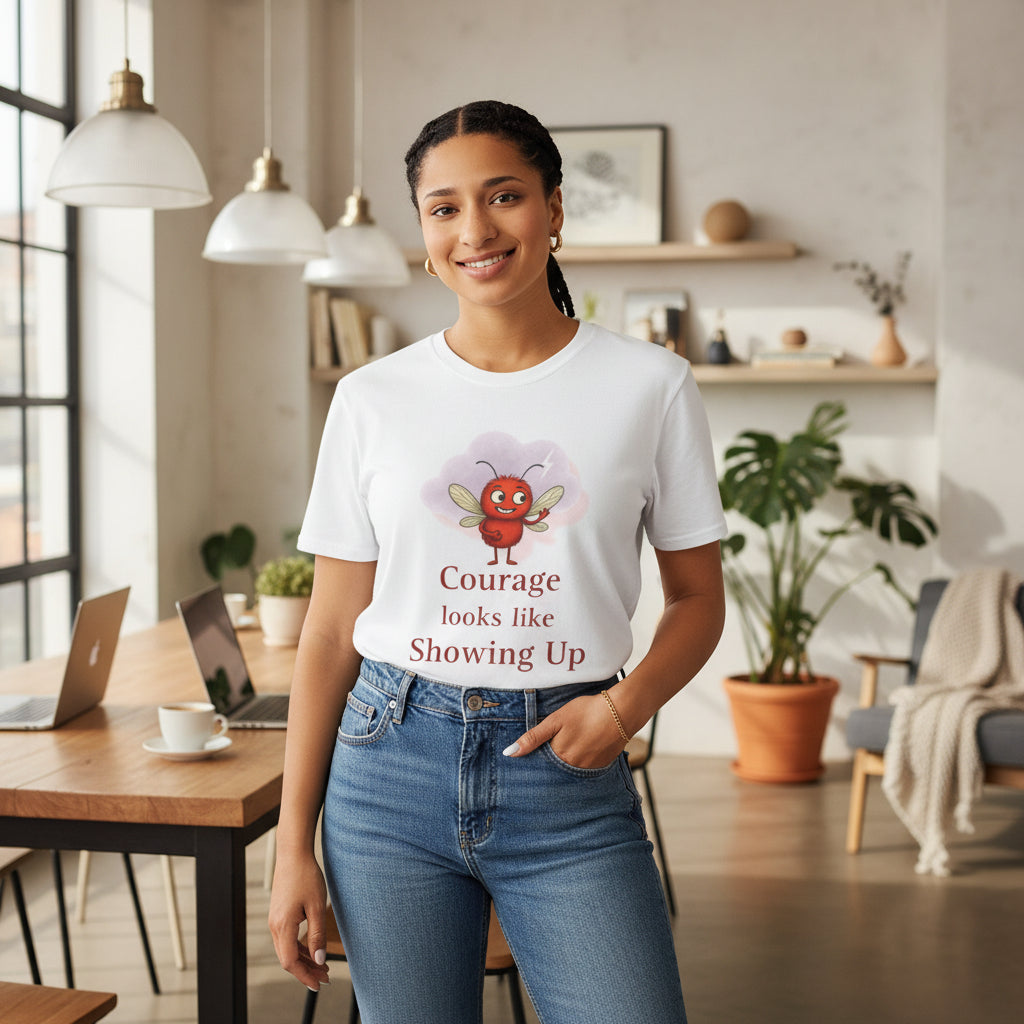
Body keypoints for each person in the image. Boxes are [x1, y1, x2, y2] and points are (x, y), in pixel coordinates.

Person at [269, 99, 727, 1024]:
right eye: (443, 208)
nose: (474, 230)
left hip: (567, 768)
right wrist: (291, 848)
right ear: (424, 232)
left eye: (504, 196)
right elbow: (326, 633)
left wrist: (622, 707)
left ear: (554, 210)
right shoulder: (370, 399)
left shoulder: (652, 385)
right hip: (386, 766)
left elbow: (697, 601)